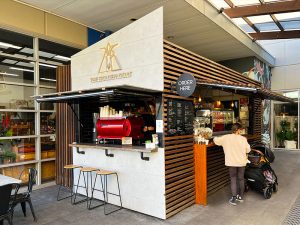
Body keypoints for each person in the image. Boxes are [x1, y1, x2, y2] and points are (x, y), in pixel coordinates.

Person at [213, 123, 251, 206]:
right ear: (237, 130)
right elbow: (248, 150)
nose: (241, 131)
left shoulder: (226, 137)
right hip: (241, 162)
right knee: (241, 179)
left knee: (233, 178)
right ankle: (240, 197)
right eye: (241, 129)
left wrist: (214, 136)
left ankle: (234, 198)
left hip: (231, 162)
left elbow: (216, 140)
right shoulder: (243, 139)